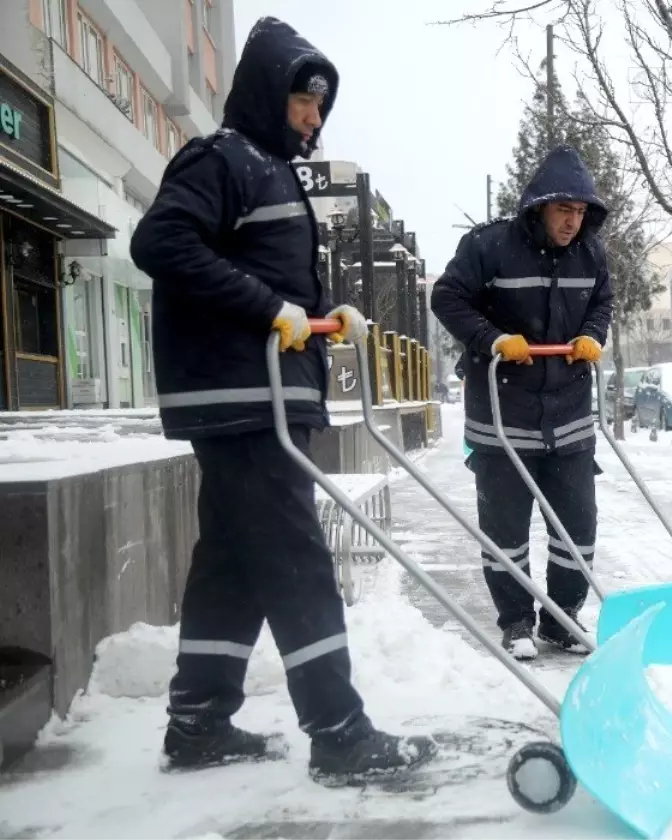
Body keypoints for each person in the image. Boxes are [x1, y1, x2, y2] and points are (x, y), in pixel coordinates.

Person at [129, 15, 436, 785]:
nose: (314, 118)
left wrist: (331, 316)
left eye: (322, 108)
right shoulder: (222, 160)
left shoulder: (270, 169)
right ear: (271, 94)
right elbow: (160, 243)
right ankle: (338, 733)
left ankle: (198, 722)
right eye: (304, 102)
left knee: (232, 563)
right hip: (242, 397)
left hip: (260, 396)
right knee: (298, 558)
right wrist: (269, 309)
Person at [431, 145, 611, 660]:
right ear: (540, 207)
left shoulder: (592, 253)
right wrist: (491, 338)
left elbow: (602, 301)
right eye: (564, 211)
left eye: (580, 213)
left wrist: (593, 334)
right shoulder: (488, 247)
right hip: (503, 420)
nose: (573, 223)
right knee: (506, 534)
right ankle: (515, 623)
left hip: (570, 418)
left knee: (577, 529)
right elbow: (446, 297)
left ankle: (562, 619)